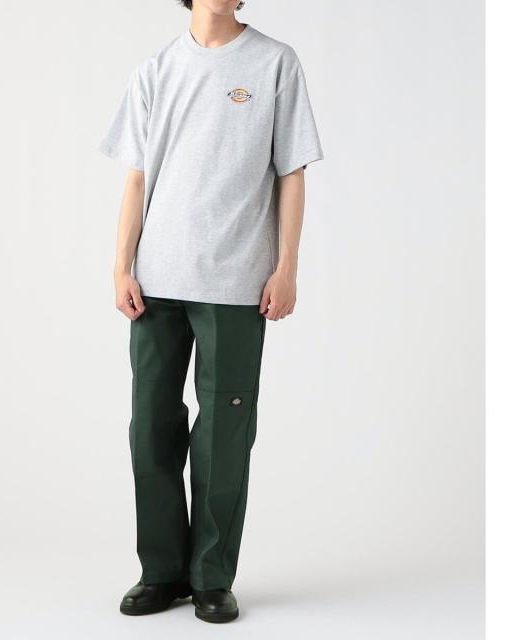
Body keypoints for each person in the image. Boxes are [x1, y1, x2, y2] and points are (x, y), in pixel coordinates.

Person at [98, 0, 323, 624]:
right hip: (156, 280)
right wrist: (121, 266)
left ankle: (212, 577)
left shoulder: (275, 63)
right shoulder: (156, 69)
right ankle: (161, 571)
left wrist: (287, 265)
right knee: (151, 428)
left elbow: (293, 172)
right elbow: (136, 177)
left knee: (225, 434)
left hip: (236, 280)